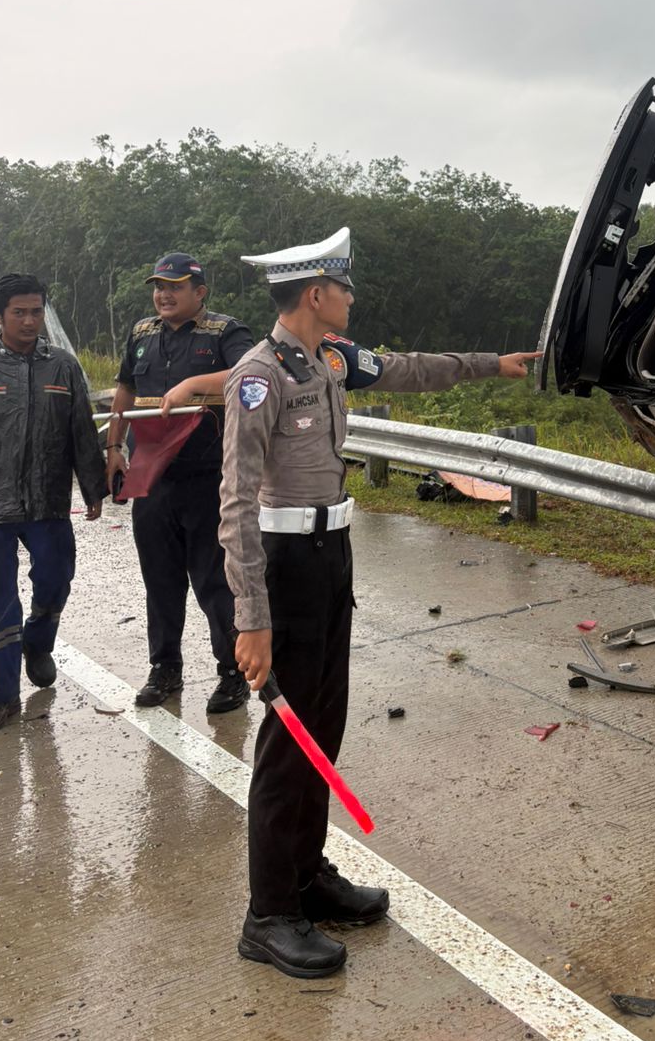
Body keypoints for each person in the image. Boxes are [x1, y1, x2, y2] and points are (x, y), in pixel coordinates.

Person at [218, 228, 540, 979]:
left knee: (323, 729)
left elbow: (407, 370)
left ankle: (307, 878)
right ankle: (268, 916)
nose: (352, 297)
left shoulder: (331, 358)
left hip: (333, 557)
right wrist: (250, 618)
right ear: (314, 294)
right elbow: (234, 502)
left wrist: (494, 363)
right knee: (288, 747)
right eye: (344, 286)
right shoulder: (258, 376)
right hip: (286, 566)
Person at [105, 253, 254, 713]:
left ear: (200, 292)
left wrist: (193, 384)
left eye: (175, 286)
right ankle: (164, 669)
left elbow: (250, 374)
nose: (164, 294)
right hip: (153, 478)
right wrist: (114, 448)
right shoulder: (141, 333)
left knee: (213, 581)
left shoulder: (225, 332)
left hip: (206, 477)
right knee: (160, 580)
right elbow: (126, 390)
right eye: (158, 286)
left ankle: (232, 674)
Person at [0, 274, 107, 734]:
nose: (29, 321)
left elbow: (81, 430)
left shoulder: (63, 367)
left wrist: (92, 489)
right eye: (18, 313)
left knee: (55, 580)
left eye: (35, 311)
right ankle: (2, 697)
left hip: (49, 501)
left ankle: (40, 641)